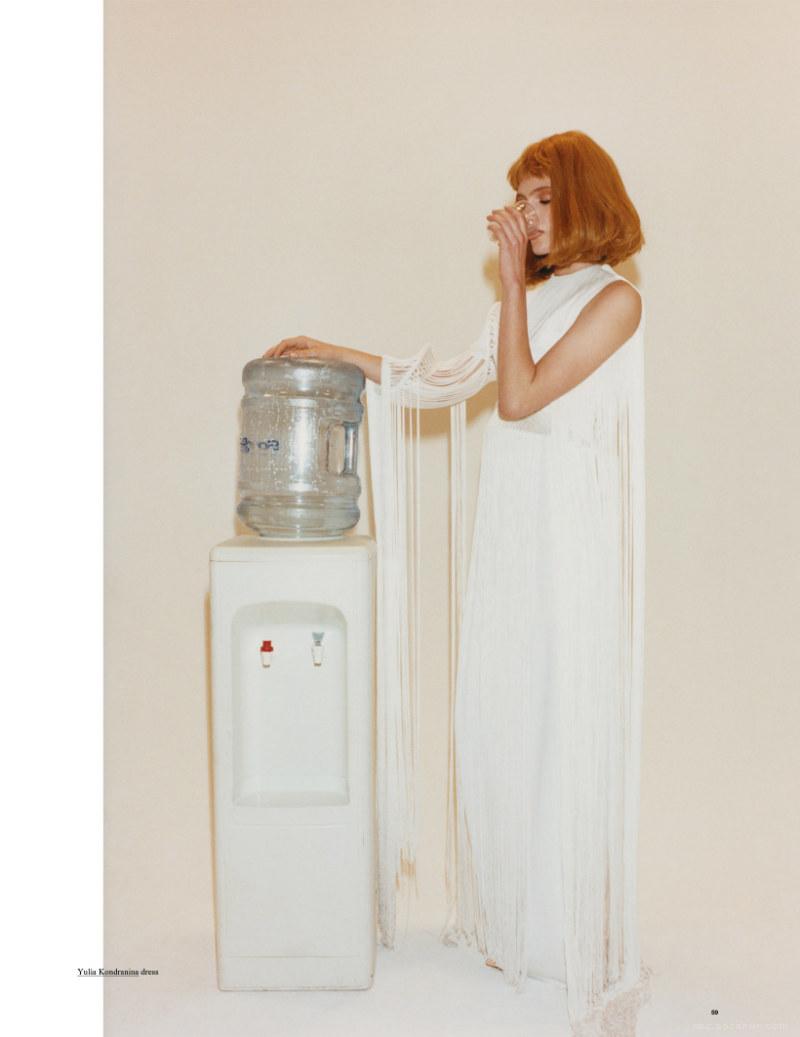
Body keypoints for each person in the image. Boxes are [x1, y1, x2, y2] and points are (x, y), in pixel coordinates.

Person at [263, 130, 653, 1037]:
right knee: (505, 706)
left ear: (586, 198)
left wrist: (511, 281)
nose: (525, 214)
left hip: (571, 538)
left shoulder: (616, 300)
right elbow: (445, 381)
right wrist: (336, 352)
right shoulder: (528, 300)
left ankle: (567, 933)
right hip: (513, 532)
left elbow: (518, 397)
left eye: (542, 197)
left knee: (564, 714)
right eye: (520, 199)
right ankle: (520, 921)